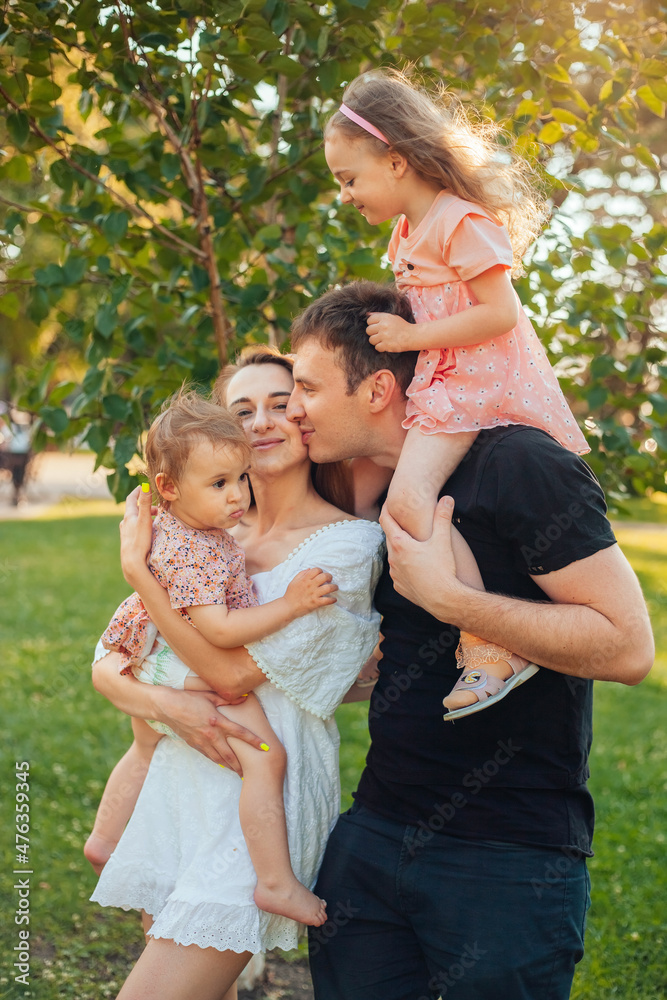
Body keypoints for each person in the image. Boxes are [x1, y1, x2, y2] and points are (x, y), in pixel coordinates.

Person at [280, 279, 654, 1000]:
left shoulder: (519, 463)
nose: (294, 409)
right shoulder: (391, 491)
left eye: (307, 388)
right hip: (375, 835)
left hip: (506, 857)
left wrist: (452, 599)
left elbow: (626, 646)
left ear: (379, 388)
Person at [89, 346, 385, 1000]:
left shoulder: (346, 547)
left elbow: (229, 677)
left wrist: (139, 573)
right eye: (240, 409)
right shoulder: (202, 535)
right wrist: (163, 704)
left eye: (281, 403)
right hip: (179, 795)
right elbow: (108, 667)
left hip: (254, 817)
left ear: (307, 413)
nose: (261, 421)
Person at [324, 69, 589, 715]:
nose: (344, 195)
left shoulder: (459, 221)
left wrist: (411, 339)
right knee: (400, 503)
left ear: (393, 159)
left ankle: (491, 644)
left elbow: (499, 313)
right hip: (446, 382)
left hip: (475, 381)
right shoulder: (407, 233)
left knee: (406, 508)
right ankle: (381, 638)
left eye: (348, 179)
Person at [86, 390, 339, 928]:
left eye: (241, 478)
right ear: (169, 488)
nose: (237, 496)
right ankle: (274, 882)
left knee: (147, 742)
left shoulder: (186, 529)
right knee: (266, 756)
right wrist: (291, 604)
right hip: (179, 664)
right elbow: (220, 632)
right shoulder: (198, 548)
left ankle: (106, 841)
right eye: (220, 483)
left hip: (146, 654)